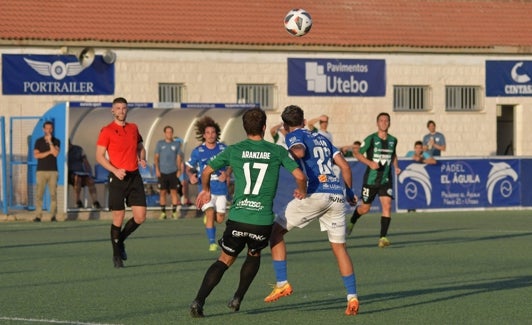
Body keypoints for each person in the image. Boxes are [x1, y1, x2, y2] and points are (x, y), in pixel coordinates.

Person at [189, 107, 306, 318]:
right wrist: (302, 191)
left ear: (245, 128)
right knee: (254, 254)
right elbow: (300, 175)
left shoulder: (234, 150)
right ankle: (238, 297)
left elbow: (206, 170)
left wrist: (205, 190)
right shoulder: (277, 151)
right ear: (263, 127)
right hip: (261, 221)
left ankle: (199, 301)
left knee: (224, 260)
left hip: (238, 217)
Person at [264, 105, 360, 316]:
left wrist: (290, 156)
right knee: (340, 249)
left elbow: (299, 150)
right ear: (304, 119)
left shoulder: (292, 136)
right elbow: (345, 167)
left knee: (275, 233)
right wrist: (350, 191)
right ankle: (352, 297)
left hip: (316, 193)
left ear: (287, 125)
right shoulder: (322, 138)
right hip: (336, 195)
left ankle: (282, 283)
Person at [96, 97, 148, 268]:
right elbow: (99, 156)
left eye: (124, 108)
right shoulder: (107, 130)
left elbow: (141, 147)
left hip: (134, 176)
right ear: (112, 110)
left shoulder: (133, 128)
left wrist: (142, 158)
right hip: (118, 177)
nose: (121, 111)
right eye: (117, 108)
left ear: (127, 110)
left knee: (140, 217)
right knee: (118, 216)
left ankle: (121, 240)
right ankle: (116, 255)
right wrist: (114, 170)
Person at [347, 112, 401, 248]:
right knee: (365, 208)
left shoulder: (393, 140)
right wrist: (370, 163)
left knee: (387, 206)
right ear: (377, 123)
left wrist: (396, 167)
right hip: (371, 180)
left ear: (389, 123)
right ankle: (353, 219)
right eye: (381, 120)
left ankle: (383, 237)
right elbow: (357, 153)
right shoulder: (371, 138)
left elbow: (393, 154)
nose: (384, 122)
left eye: (386, 120)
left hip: (386, 179)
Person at [186, 116, 231, 252]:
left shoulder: (223, 148)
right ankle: (212, 243)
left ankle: (209, 219)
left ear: (216, 134)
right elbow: (188, 167)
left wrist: (227, 173)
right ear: (203, 135)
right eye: (208, 133)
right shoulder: (198, 151)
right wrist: (191, 175)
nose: (211, 135)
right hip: (206, 190)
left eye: (213, 132)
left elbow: (232, 163)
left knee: (220, 219)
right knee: (210, 213)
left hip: (221, 189)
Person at [33, 121, 60, 222]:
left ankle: (53, 215)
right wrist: (49, 152)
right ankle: (38, 216)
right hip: (41, 171)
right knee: (39, 194)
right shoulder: (38, 141)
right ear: (43, 129)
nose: (48, 130)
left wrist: (50, 143)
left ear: (52, 129)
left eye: (50, 128)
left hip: (53, 171)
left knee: (53, 194)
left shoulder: (56, 141)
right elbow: (36, 155)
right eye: (47, 128)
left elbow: (56, 153)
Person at [154, 126, 183, 219]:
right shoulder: (160, 144)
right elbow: (156, 158)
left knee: (174, 192)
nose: (169, 134)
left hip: (173, 172)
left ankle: (174, 212)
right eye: (167, 132)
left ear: (172, 133)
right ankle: (163, 213)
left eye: (171, 132)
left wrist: (179, 170)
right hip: (162, 172)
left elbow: (179, 158)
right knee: (162, 192)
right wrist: (157, 169)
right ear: (165, 133)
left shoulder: (177, 144)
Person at [68, 141, 101, 209]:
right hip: (70, 174)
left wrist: (89, 173)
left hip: (82, 173)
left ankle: (95, 202)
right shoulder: (63, 150)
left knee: (90, 181)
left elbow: (85, 161)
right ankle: (78, 201)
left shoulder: (78, 149)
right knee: (78, 179)